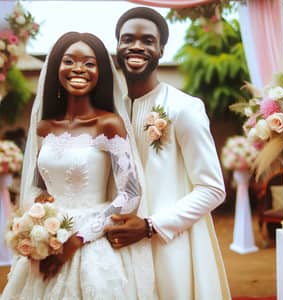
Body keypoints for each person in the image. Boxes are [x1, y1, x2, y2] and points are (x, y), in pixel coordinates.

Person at [1, 31, 157, 300]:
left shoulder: (109, 124)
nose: (79, 69)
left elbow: (130, 193)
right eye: (69, 61)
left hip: (92, 244)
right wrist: (39, 221)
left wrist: (79, 238)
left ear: (100, 72)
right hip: (47, 240)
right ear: (56, 68)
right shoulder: (44, 128)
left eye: (89, 63)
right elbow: (37, 186)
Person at [105, 7, 231, 300]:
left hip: (171, 247)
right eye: (127, 39)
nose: (136, 46)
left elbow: (212, 189)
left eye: (148, 40)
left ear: (161, 50)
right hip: (119, 247)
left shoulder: (184, 107)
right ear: (118, 48)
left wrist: (151, 225)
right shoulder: (112, 112)